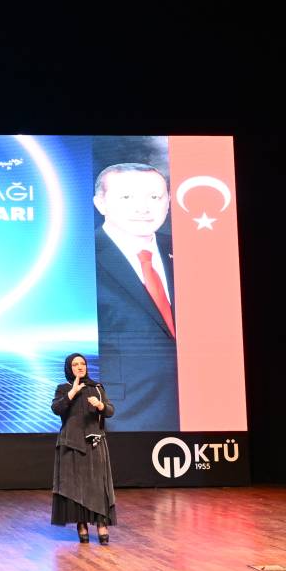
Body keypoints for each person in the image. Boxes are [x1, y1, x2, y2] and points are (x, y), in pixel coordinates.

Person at [93, 162, 178, 430]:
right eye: (127, 197)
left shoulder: (187, 247)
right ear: (100, 203)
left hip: (201, 407)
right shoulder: (80, 256)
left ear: (168, 202)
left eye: (154, 197)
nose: (143, 208)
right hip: (123, 415)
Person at [51, 352, 115, 543]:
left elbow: (110, 411)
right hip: (71, 444)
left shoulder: (97, 388)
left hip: (95, 443)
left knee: (98, 485)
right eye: (75, 364)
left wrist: (101, 405)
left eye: (82, 364)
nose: (80, 367)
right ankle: (81, 524)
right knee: (77, 486)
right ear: (69, 368)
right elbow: (56, 409)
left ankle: (101, 524)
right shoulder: (63, 388)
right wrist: (73, 392)